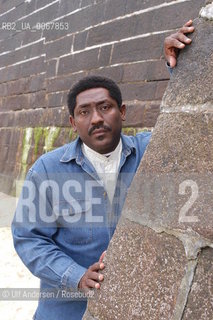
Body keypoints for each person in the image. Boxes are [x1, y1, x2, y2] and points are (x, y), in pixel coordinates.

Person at [12, 20, 194, 320]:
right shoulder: (47, 171)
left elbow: (187, 125)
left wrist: (182, 65)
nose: (96, 118)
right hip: (68, 310)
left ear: (122, 112)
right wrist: (76, 276)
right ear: (73, 123)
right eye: (84, 112)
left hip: (136, 307)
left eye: (105, 107)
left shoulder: (150, 152)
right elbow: (29, 239)